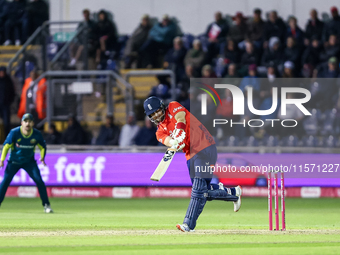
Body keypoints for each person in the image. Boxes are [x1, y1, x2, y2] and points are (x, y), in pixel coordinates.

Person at [143, 96, 241, 232]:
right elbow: (167, 141)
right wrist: (174, 142)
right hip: (190, 155)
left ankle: (188, 225)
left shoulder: (172, 106)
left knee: (197, 191)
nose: (156, 115)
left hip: (205, 147)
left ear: (162, 106)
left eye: (157, 111)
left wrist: (180, 131)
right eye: (152, 114)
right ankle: (233, 193)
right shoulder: (159, 132)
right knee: (202, 191)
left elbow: (181, 118)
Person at [0, 113, 53, 213]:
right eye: (25, 121)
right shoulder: (14, 132)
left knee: (39, 181)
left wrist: (42, 157)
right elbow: (6, 146)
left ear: (33, 123)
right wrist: (2, 160)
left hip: (29, 162)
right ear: (22, 123)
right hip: (14, 162)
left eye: (29, 121)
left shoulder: (36, 134)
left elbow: (42, 147)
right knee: (5, 181)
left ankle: (46, 205)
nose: (27, 123)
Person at [0, 66, 15, 136]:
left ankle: (7, 138)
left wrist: (9, 101)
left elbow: (12, 92)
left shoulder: (8, 80)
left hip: (5, 104)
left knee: (6, 123)